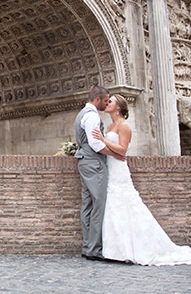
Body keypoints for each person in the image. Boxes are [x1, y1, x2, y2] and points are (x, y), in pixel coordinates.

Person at [91, 94, 191, 266]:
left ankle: (131, 249)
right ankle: (116, 250)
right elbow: (113, 151)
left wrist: (103, 140)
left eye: (110, 101)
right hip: (110, 168)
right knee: (114, 207)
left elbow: (123, 150)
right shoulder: (111, 125)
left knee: (125, 205)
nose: (107, 103)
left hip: (119, 170)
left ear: (118, 107)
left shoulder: (124, 125)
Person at [73, 85, 120, 261]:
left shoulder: (81, 114)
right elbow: (96, 144)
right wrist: (115, 153)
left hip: (84, 162)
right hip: (93, 163)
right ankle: (94, 248)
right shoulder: (92, 116)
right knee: (99, 204)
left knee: (87, 205)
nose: (107, 103)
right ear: (98, 99)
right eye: (106, 100)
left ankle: (87, 246)